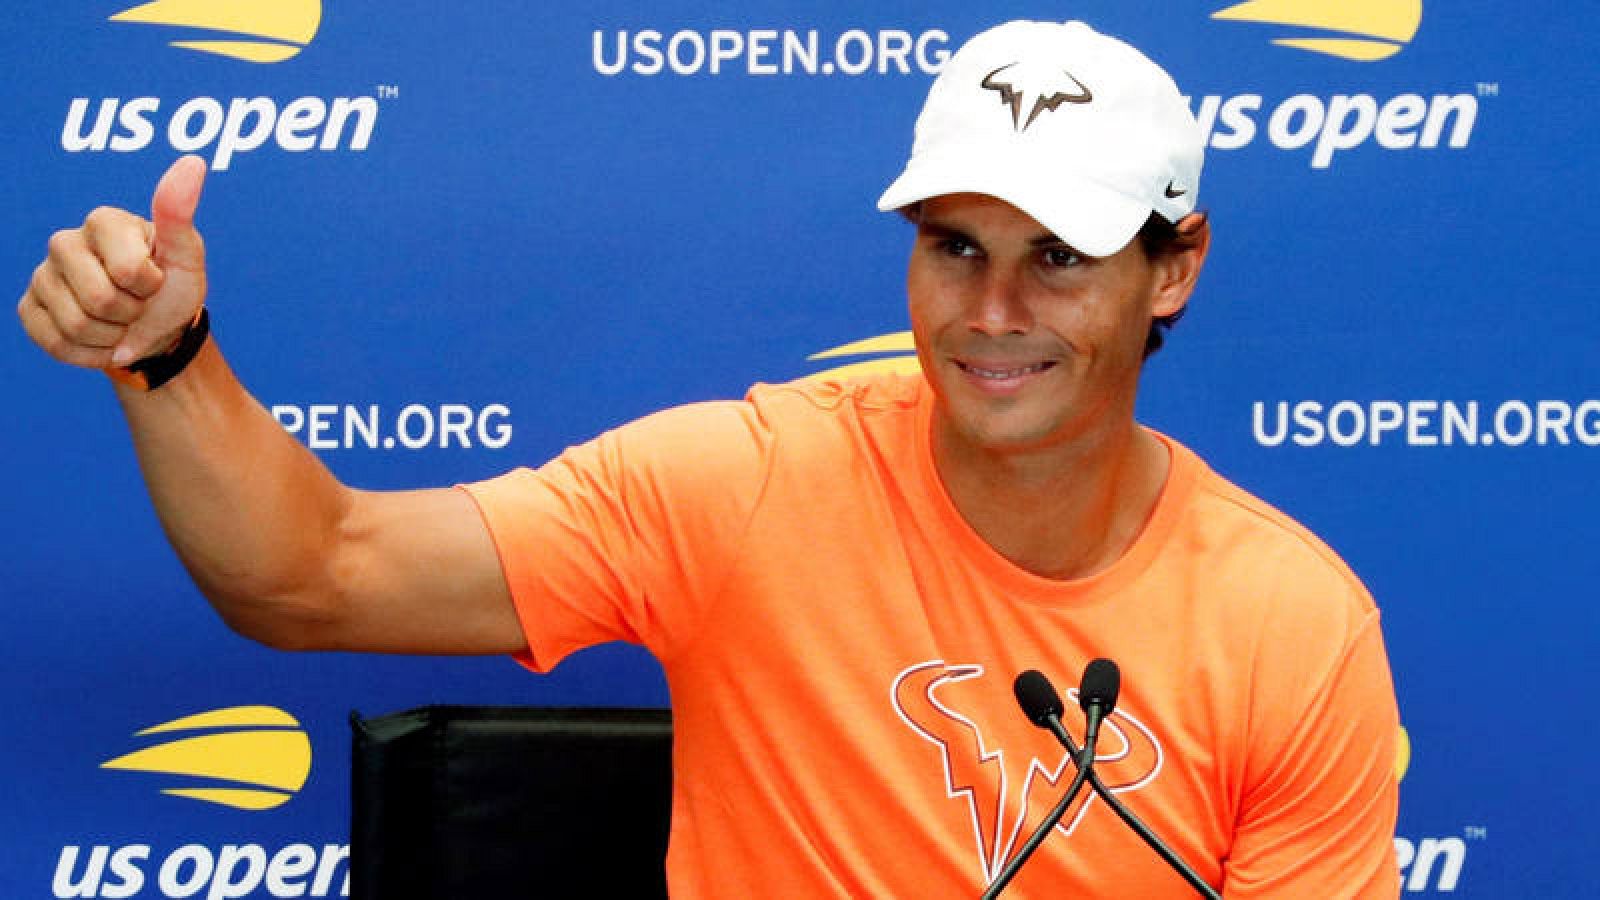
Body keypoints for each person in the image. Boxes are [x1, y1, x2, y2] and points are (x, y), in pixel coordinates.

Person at [18, 19, 1399, 899]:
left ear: (1174, 269)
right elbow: (311, 576)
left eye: (1059, 260)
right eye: (955, 247)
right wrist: (167, 355)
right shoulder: (741, 487)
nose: (992, 314)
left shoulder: (1292, 623)